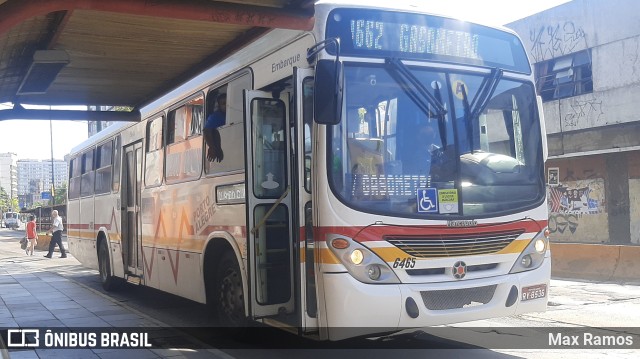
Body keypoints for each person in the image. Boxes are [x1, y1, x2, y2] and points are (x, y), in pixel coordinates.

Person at [204, 93, 226, 163]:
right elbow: (206, 131)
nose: (226, 105)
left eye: (227, 102)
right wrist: (212, 147)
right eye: (223, 103)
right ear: (219, 106)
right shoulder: (215, 117)